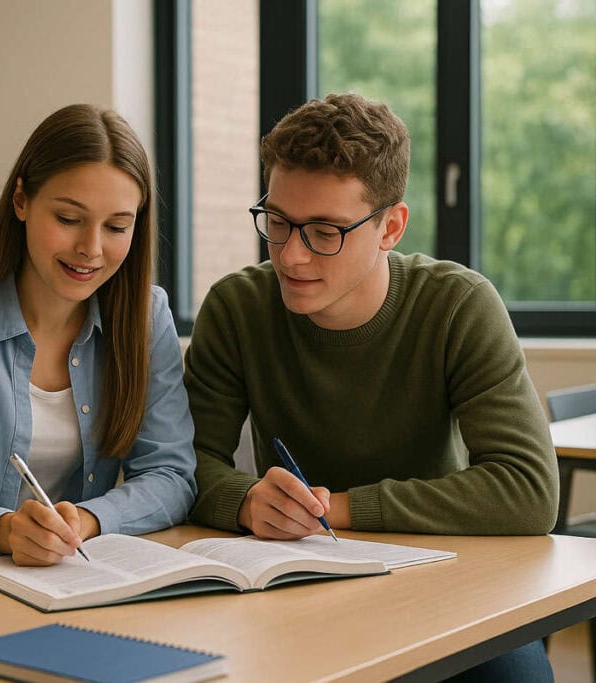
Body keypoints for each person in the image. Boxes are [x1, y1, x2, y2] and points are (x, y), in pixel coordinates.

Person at [185, 92, 558, 680]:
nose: (292, 255)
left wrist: (338, 508)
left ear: (390, 226)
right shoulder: (238, 307)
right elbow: (184, 464)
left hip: (449, 584)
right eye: (277, 223)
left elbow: (527, 490)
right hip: (291, 586)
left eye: (325, 231)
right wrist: (246, 500)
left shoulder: (458, 305)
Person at [0, 104, 196, 566]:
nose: (91, 249)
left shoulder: (145, 314)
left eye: (117, 226)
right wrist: (8, 531)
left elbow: (171, 474)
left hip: (79, 574)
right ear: (21, 201)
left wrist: (86, 521)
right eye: (69, 219)